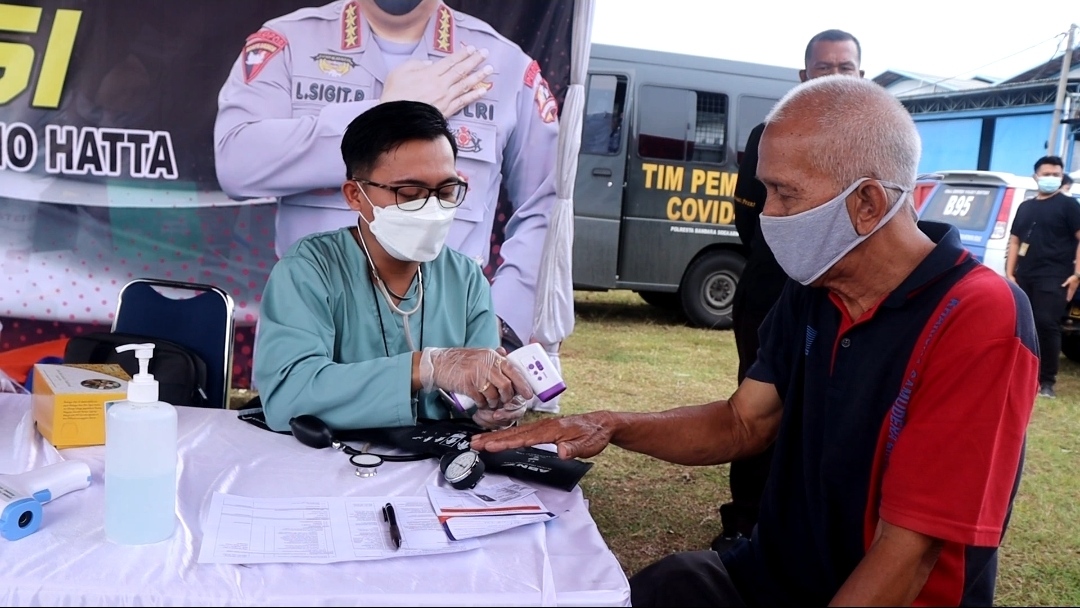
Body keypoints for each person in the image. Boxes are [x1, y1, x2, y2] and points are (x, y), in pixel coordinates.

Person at [472, 76, 1038, 607]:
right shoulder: (816, 284)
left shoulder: (977, 316)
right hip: (773, 574)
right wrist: (613, 425)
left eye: (784, 194)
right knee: (666, 585)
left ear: (867, 203)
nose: (766, 214)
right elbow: (745, 422)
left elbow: (909, 554)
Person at [214, 0, 560, 356]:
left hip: (450, 345)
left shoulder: (506, 66)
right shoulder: (287, 43)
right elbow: (236, 163)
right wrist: (383, 113)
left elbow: (546, 210)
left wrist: (500, 325)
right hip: (316, 335)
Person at [253, 100, 533, 433]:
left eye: (446, 190)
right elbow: (289, 397)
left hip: (435, 472)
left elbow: (476, 393)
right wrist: (426, 368)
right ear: (355, 195)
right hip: (327, 468)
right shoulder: (309, 271)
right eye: (410, 192)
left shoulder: (466, 279)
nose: (432, 207)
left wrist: (494, 407)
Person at [718, 28, 864, 550]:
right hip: (772, 291)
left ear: (861, 76)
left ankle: (810, 523)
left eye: (844, 68)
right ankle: (745, 520)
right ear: (803, 76)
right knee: (757, 402)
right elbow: (749, 216)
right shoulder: (770, 134)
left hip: (845, 296)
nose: (833, 77)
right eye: (823, 68)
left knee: (831, 410)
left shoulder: (874, 143)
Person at [1005, 155, 1080, 399]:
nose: (1051, 178)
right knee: (1023, 326)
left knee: (1046, 324)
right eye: (1047, 174)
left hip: (1055, 276)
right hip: (1024, 275)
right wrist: (1009, 273)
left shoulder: (1069, 206)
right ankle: (1021, 374)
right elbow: (1015, 240)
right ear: (1036, 176)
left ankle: (1046, 381)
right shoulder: (1026, 207)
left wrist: (1077, 274)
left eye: (1056, 174)